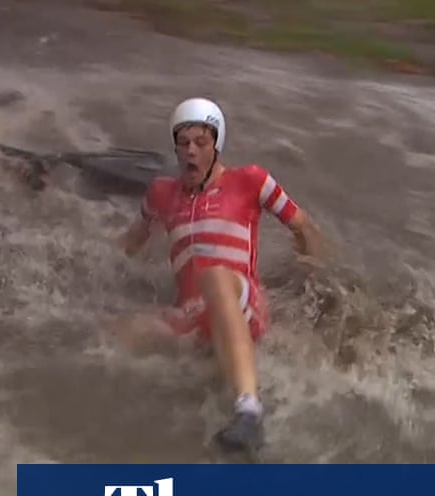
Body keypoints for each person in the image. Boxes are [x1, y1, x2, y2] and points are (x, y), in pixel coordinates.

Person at [113, 97, 323, 453]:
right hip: (194, 315)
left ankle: (250, 411)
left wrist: (313, 280)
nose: (191, 151)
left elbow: (302, 227)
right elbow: (129, 244)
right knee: (116, 331)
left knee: (214, 278)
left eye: (201, 142)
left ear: (217, 144)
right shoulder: (161, 193)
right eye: (184, 143)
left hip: (244, 303)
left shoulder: (251, 181)